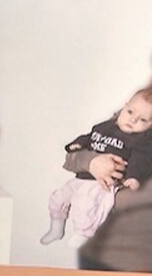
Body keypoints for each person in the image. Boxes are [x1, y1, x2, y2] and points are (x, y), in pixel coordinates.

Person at [42, 87, 152, 247]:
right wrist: (78, 146)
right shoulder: (106, 126)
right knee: (57, 199)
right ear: (125, 106)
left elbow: (141, 160)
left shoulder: (141, 140)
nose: (133, 120)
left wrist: (134, 177)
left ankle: (83, 234)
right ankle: (56, 229)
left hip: (101, 184)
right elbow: (89, 138)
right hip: (81, 177)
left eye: (142, 120)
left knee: (85, 207)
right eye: (130, 112)